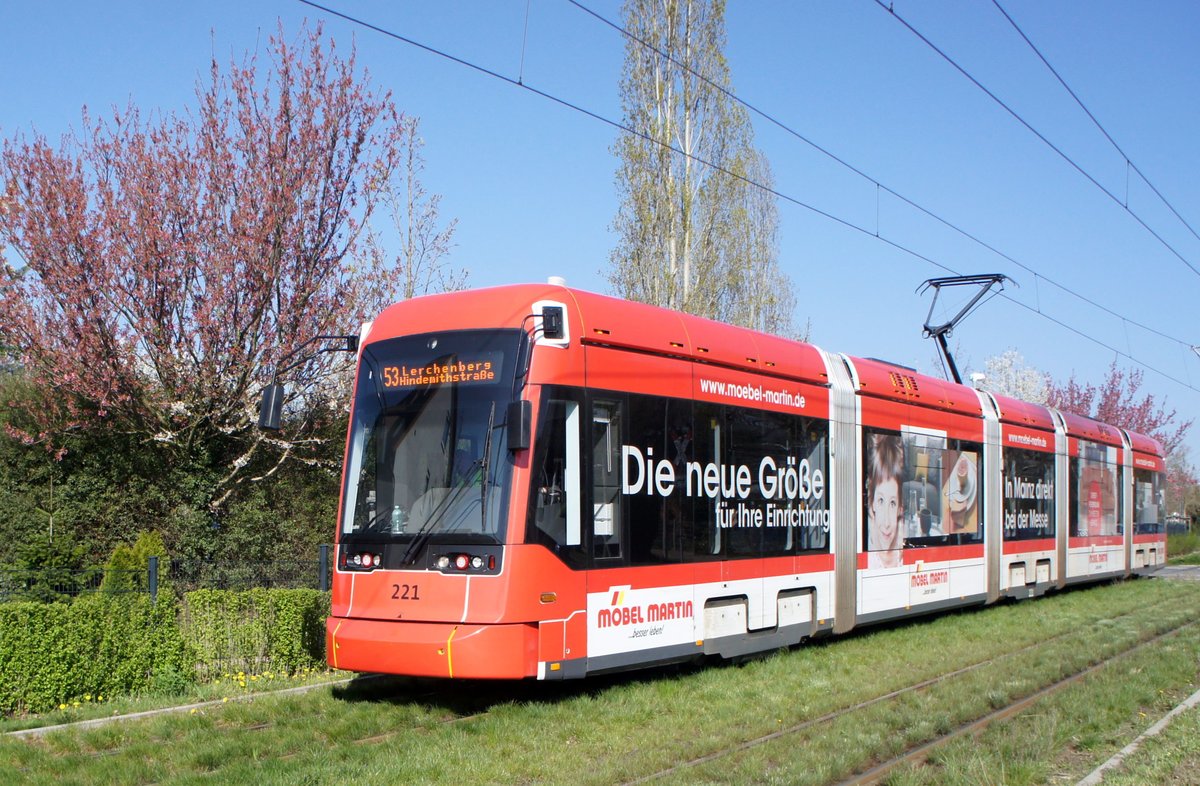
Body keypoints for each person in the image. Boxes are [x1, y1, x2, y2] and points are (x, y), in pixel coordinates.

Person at [866, 433, 905, 568]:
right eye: (881, 501)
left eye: (893, 503)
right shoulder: (869, 562)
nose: (887, 523)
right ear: (873, 503)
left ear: (901, 507)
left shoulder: (904, 558)